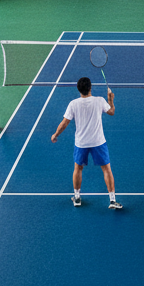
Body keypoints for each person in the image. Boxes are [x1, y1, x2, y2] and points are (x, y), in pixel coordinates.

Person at [51, 76, 121, 209]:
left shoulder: (73, 104)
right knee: (106, 169)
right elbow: (111, 112)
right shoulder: (100, 101)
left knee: (78, 168)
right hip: (98, 142)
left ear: (79, 89)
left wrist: (55, 134)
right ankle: (112, 200)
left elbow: (65, 123)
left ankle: (77, 198)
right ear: (90, 88)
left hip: (81, 143)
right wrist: (111, 100)